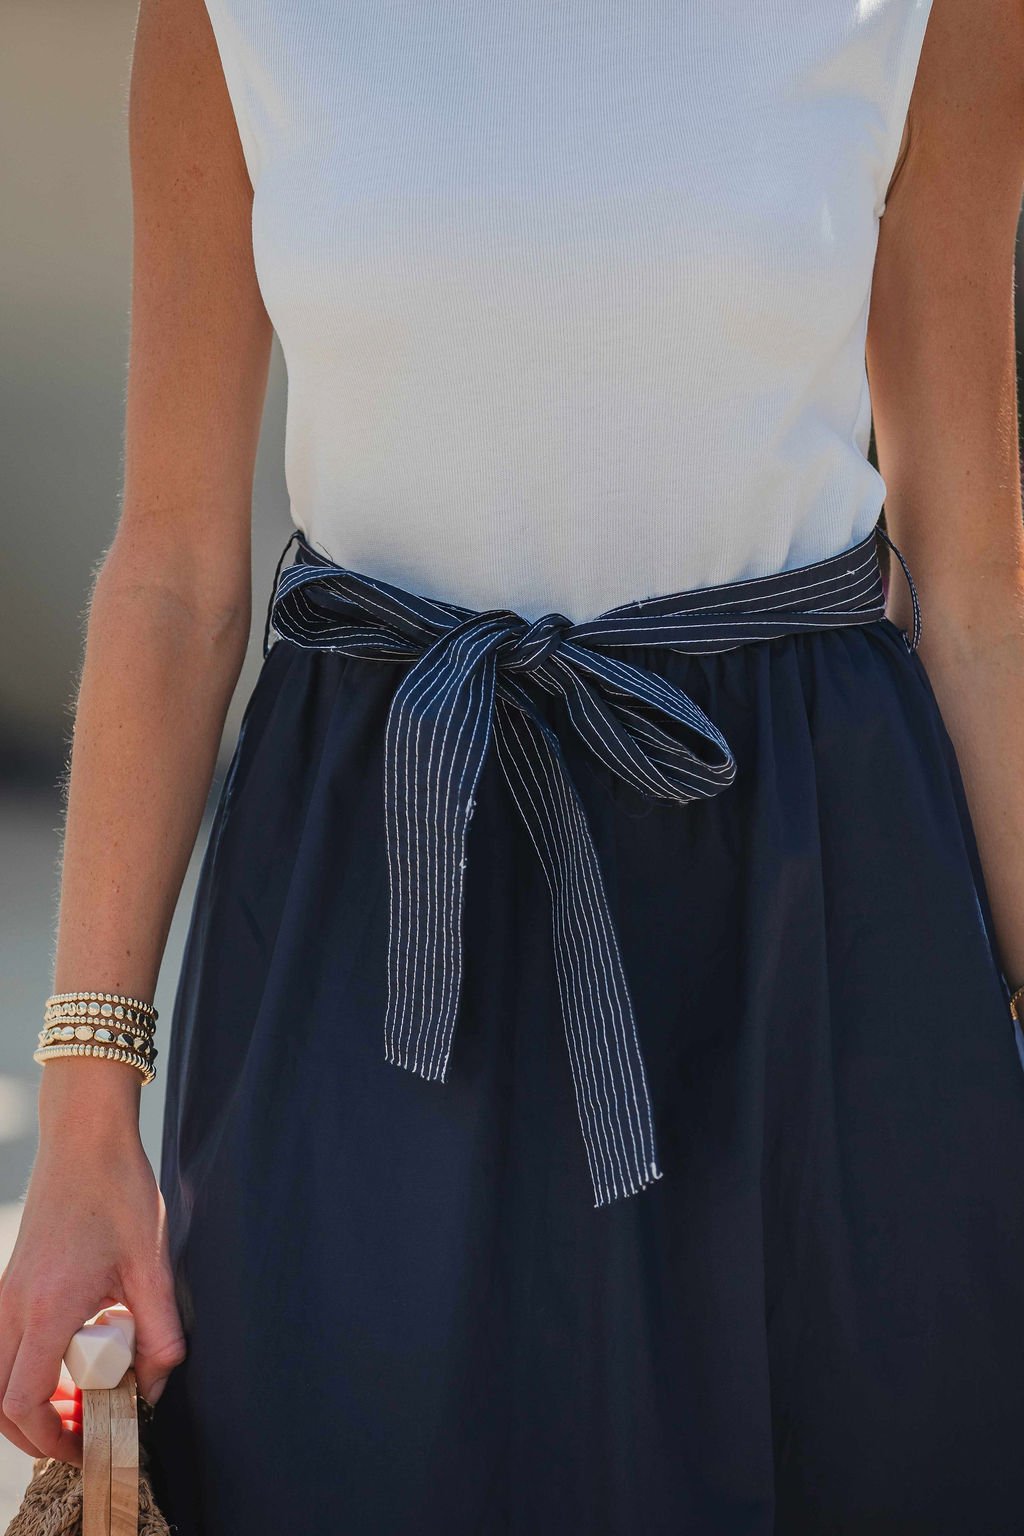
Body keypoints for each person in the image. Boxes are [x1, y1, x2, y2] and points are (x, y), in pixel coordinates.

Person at [3, 0, 1024, 1530]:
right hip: (371, 918)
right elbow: (175, 570)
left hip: (812, 916)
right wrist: (86, 1113)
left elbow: (978, 571)